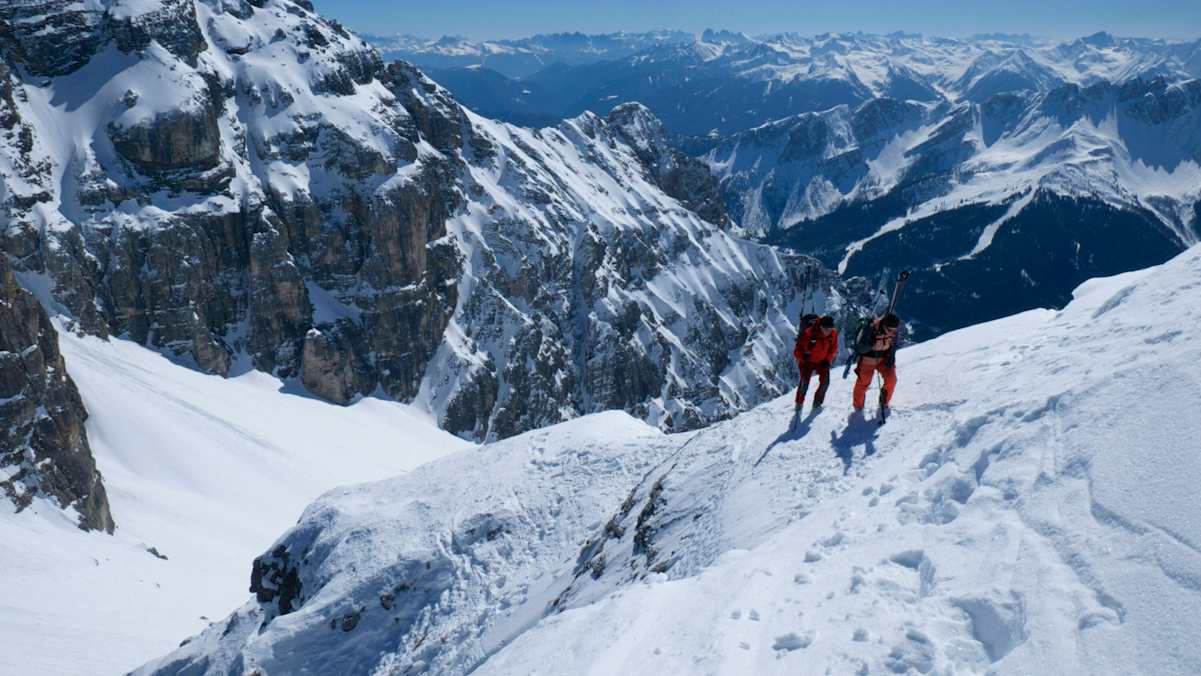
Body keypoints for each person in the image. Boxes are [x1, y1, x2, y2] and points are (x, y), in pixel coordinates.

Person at [851, 313, 900, 412]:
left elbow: (893, 345)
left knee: (891, 379)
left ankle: (884, 402)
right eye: (890, 330)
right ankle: (858, 407)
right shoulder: (870, 330)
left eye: (895, 330)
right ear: (883, 325)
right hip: (867, 360)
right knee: (863, 383)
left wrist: (891, 357)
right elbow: (859, 349)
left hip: (884, 359)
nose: (892, 333)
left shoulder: (892, 331)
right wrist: (870, 343)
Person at [793, 315, 839, 412]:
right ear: (820, 327)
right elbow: (797, 351)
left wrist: (827, 360)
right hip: (807, 362)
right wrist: (803, 356)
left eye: (830, 329)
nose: (828, 332)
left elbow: (833, 349)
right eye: (826, 329)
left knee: (825, 382)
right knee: (804, 383)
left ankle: (817, 404)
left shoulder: (832, 334)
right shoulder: (809, 333)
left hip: (822, 362)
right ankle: (799, 403)